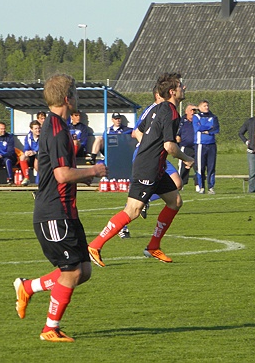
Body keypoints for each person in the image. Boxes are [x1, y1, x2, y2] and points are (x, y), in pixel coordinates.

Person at [13, 73, 108, 343]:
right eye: (75, 93)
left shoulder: (59, 126)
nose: (78, 97)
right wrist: (94, 170)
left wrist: (83, 175)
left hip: (66, 211)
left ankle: (28, 287)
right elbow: (62, 175)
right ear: (68, 98)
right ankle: (50, 329)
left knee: (83, 271)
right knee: (72, 271)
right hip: (53, 213)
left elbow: (63, 171)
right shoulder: (55, 129)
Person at [87, 72, 194, 266]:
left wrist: (150, 146)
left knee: (175, 201)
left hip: (156, 165)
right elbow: (169, 146)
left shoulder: (157, 108)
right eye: (180, 86)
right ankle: (95, 245)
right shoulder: (170, 112)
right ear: (172, 91)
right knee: (133, 210)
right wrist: (187, 159)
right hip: (148, 167)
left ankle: (153, 246)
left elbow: (139, 131)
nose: (183, 88)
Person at [118, 88, 184, 239]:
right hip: (147, 157)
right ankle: (122, 226)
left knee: (177, 184)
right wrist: (149, 147)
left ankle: (153, 244)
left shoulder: (167, 110)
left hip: (159, 156)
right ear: (158, 95)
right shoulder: (152, 109)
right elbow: (136, 132)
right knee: (134, 206)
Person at [193, 100, 220, 194]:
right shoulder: (196, 117)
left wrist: (207, 130)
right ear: (199, 107)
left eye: (207, 105)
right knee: (200, 167)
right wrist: (209, 126)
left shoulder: (213, 117)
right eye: (204, 106)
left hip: (211, 145)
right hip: (200, 144)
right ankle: (201, 187)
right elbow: (197, 128)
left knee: (211, 167)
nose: (206, 107)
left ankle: (211, 187)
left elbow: (216, 129)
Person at [177, 104, 198, 190]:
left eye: (194, 111)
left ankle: (198, 185)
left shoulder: (198, 120)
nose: (193, 112)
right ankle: (180, 184)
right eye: (191, 110)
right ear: (186, 112)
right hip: (185, 147)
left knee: (198, 166)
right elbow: (178, 134)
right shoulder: (182, 121)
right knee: (183, 167)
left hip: (196, 147)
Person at [19, 120, 41, 186]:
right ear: (31, 129)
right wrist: (27, 152)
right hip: (32, 156)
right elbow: (26, 147)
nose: (38, 130)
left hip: (40, 156)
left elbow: (41, 147)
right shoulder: (28, 137)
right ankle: (26, 178)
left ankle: (39, 181)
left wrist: (34, 152)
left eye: (39, 128)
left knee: (38, 159)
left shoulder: (43, 136)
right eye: (36, 129)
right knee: (22, 157)